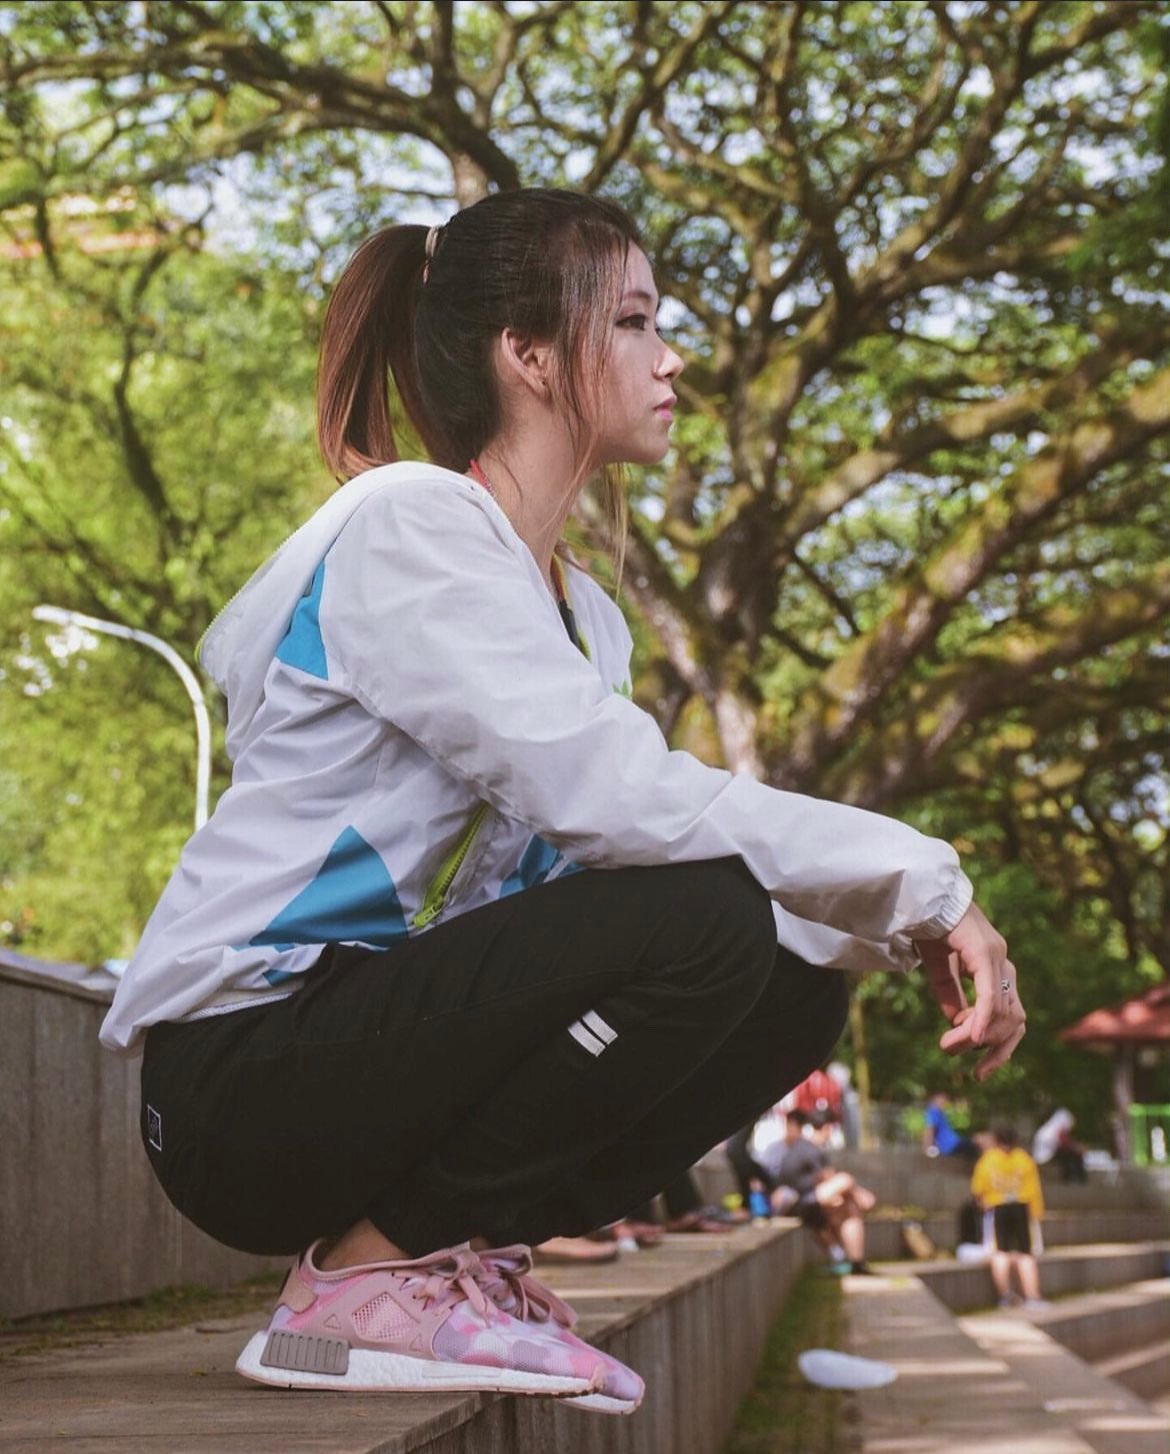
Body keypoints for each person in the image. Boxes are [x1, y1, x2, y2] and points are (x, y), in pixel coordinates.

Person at [98, 188, 1025, 1414]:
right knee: (710, 917)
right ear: (528, 355)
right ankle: (362, 1284)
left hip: (376, 1064)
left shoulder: (585, 616)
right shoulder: (412, 528)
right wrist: (923, 881)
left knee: (795, 980)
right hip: (240, 1082)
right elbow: (617, 800)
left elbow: (598, 878)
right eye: (634, 321)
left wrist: (884, 931)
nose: (671, 357)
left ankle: (449, 1254)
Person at [773, 1111, 876, 1274]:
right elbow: (832, 1178)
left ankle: (852, 1261)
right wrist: (858, 1194)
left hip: (802, 1202)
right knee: (845, 1182)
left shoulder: (802, 1147)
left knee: (847, 1210)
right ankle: (854, 1261)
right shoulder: (811, 1150)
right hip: (794, 1202)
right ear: (826, 1128)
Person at [970, 1126, 1047, 1309]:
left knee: (1000, 1253)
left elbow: (977, 1189)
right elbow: (1035, 1190)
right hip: (1021, 1207)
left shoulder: (988, 1159)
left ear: (996, 1140)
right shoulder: (1024, 1159)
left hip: (997, 1208)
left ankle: (1005, 1296)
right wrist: (1037, 1214)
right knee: (1025, 1254)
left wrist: (983, 1203)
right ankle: (1032, 1297)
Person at [923, 1091, 981, 1164]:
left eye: (945, 1100)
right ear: (934, 1099)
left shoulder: (938, 1112)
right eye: (942, 1100)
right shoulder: (933, 1112)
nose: (945, 1102)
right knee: (976, 1145)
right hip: (950, 1146)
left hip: (955, 1143)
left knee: (975, 1142)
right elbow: (930, 1130)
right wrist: (928, 1148)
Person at [1032, 1108, 1087, 1184]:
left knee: (1069, 1152)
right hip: (1046, 1156)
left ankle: (1072, 1177)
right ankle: (1075, 1177)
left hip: (1042, 1154)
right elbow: (1065, 1142)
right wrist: (1078, 1148)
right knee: (1073, 1154)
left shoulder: (1048, 1128)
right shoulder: (1056, 1128)